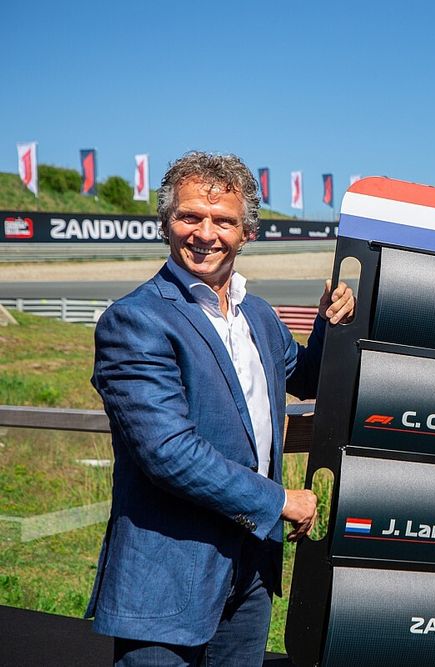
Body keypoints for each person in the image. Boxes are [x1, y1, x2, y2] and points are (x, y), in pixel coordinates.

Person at [86, 152, 354, 665]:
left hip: (250, 573)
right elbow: (169, 452)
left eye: (223, 220)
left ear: (246, 232)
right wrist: (278, 501)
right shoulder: (134, 321)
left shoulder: (258, 314)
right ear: (167, 222)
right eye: (190, 216)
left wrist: (329, 323)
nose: (205, 233)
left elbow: (308, 378)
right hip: (168, 578)